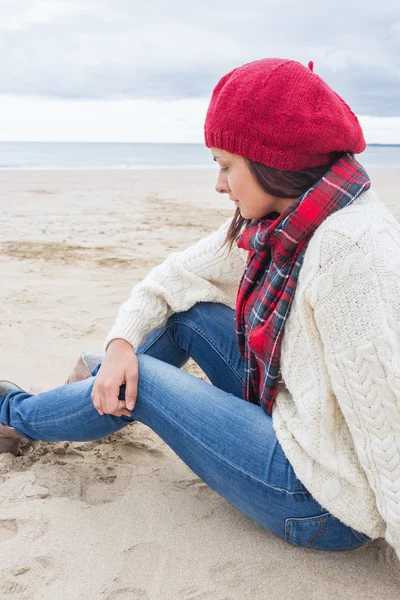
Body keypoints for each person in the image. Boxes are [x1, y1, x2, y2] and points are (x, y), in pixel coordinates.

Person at [1, 57, 399, 558]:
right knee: (182, 315)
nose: (218, 184)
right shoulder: (288, 221)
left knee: (139, 379)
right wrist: (121, 343)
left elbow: (389, 428)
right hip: (297, 415)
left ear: (274, 159)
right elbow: (172, 278)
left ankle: (12, 413)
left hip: (322, 502)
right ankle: (90, 387)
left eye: (226, 165)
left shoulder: (350, 252)